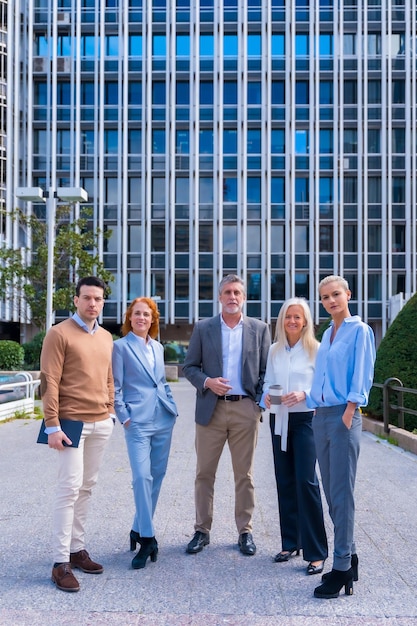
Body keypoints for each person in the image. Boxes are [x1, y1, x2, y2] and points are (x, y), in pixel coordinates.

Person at [183, 274, 270, 556]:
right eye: (227, 292)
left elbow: (266, 371)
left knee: (244, 475)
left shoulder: (260, 329)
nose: (232, 297)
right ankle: (201, 530)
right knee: (204, 473)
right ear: (219, 297)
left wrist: (257, 404)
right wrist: (208, 382)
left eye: (237, 292)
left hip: (245, 409)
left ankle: (245, 532)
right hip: (211, 409)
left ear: (244, 297)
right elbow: (190, 367)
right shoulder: (203, 328)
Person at [40, 276, 115, 593]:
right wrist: (52, 425)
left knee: (87, 488)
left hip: (100, 422)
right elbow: (48, 381)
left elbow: (108, 377)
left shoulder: (107, 337)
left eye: (97, 299)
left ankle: (77, 548)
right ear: (75, 300)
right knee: (69, 489)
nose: (92, 303)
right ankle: (60, 563)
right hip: (70, 424)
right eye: (87, 298)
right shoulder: (58, 334)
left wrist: (110, 410)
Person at [307, 275, 376, 599]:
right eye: (325, 297)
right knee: (333, 496)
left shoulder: (359, 331)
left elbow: (362, 372)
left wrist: (350, 411)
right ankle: (351, 555)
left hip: (343, 417)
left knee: (342, 493)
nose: (331, 301)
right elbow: (320, 378)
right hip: (321, 417)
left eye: (336, 294)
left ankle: (341, 567)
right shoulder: (326, 334)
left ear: (348, 294)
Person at [262, 298, 328, 575]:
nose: (292, 321)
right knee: (285, 481)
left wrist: (305, 395)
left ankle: (316, 552)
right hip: (278, 418)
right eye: (288, 316)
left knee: (306, 481)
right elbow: (267, 380)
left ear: (306, 321)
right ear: (281, 319)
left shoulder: (317, 350)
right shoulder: (275, 349)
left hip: (305, 421)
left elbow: (324, 387)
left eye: (298, 317)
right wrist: (266, 394)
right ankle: (290, 542)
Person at [112, 297, 177, 569]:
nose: (141, 318)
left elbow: (160, 382)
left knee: (157, 476)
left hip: (163, 417)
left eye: (146, 314)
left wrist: (171, 407)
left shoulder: (159, 348)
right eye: (137, 313)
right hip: (137, 421)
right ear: (130, 317)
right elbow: (114, 386)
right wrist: (124, 418)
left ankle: (137, 528)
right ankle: (148, 538)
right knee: (141, 477)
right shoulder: (120, 347)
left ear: (153, 320)